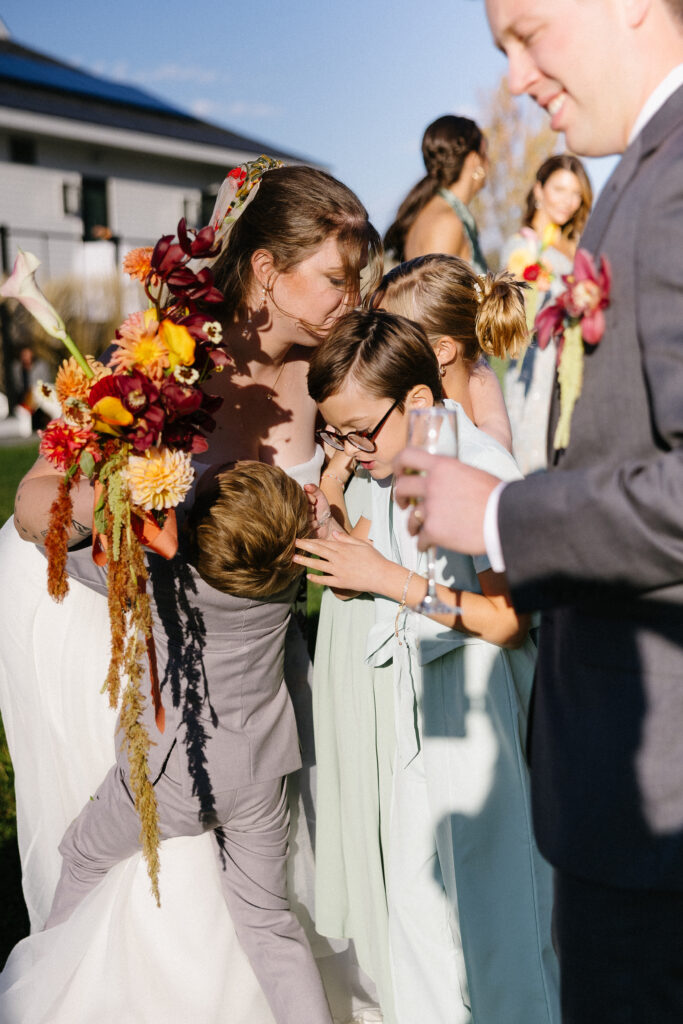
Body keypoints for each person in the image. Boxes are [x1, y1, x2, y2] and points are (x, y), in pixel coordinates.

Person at [0, 158, 382, 1023]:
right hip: (136, 643)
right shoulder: (163, 362)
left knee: (249, 885)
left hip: (251, 674)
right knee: (159, 879)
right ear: (265, 271)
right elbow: (34, 507)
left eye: (356, 276)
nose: (351, 296)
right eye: (333, 277)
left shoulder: (330, 371)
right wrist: (118, 499)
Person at [394, 1, 683, 1020]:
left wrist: (506, 515)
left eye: (526, 32)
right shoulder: (643, 169)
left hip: (654, 795)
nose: (513, 78)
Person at [297, 307, 559, 1024]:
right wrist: (350, 544)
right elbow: (367, 556)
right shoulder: (395, 456)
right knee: (418, 922)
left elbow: (507, 621)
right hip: (412, 707)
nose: (350, 448)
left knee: (502, 926)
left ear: (415, 399)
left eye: (356, 432)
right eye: (333, 432)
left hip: (481, 711)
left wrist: (388, 580)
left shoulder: (478, 464)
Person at [1, 461, 335, 1024]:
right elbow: (295, 526)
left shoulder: (162, 576)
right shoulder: (284, 575)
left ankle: (47, 978)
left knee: (81, 854)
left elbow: (53, 546)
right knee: (268, 925)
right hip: (259, 781)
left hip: (164, 783)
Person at [503, 154, 592, 474]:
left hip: (579, 367)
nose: (569, 201)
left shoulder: (578, 244)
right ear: (538, 190)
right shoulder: (521, 248)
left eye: (576, 194)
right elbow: (516, 317)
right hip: (537, 368)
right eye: (559, 189)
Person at [384, 115, 489, 274]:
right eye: (485, 154)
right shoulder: (446, 222)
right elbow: (437, 297)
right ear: (474, 160)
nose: (489, 162)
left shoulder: (435, 212)